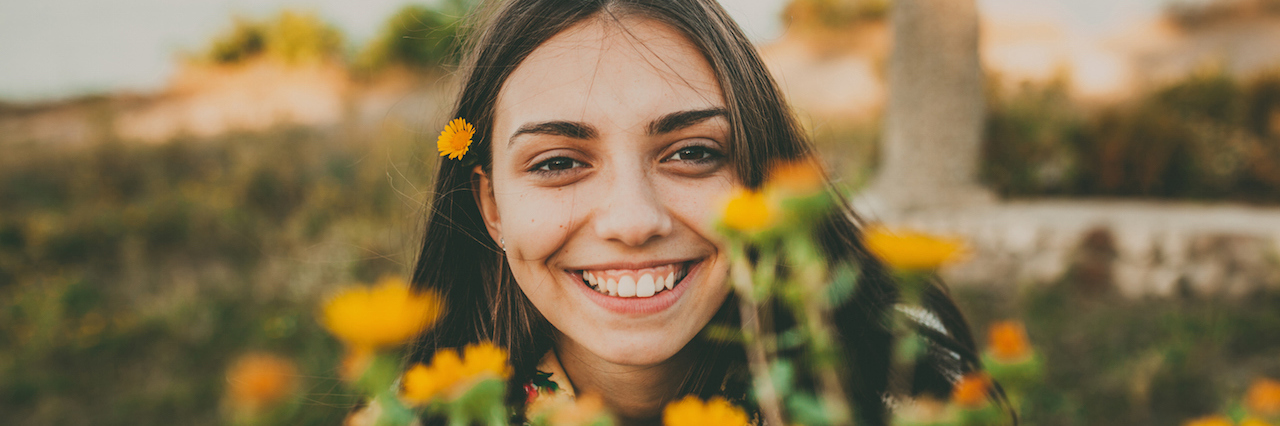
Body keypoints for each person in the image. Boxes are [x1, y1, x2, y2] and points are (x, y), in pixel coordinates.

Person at [409, 0, 1001, 425]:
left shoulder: (907, 395)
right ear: (492, 206)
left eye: (693, 153)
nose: (633, 220)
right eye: (559, 163)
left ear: (766, 182)